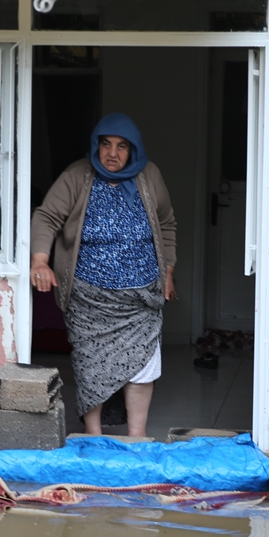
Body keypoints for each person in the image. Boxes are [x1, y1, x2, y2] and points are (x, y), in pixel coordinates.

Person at [30, 113, 176, 437]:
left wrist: (167, 270)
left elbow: (166, 223)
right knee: (90, 366)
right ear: (96, 145)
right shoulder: (77, 175)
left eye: (122, 146)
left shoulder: (150, 176)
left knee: (142, 365)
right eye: (106, 144)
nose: (112, 153)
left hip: (140, 298)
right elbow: (47, 216)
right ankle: (93, 436)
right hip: (88, 297)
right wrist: (40, 261)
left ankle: (137, 437)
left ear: (133, 149)